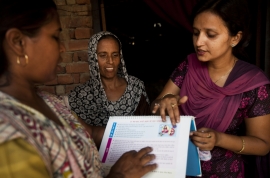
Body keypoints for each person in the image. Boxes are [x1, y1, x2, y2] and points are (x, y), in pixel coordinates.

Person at [0, 0, 157, 177]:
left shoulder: (51, 102)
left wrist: (150, 135)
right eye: (55, 36)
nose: (62, 47)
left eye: (115, 55)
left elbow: (90, 131)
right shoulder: (9, 135)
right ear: (18, 42)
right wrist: (119, 175)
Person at [151, 0, 270, 177]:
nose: (199, 42)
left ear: (235, 38)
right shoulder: (188, 67)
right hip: (178, 167)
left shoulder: (253, 83)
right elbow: (155, 110)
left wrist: (219, 139)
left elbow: (262, 145)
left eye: (211, 35)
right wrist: (164, 102)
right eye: (196, 33)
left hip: (225, 172)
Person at [68, 31, 151, 127]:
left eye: (115, 55)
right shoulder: (79, 96)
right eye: (103, 55)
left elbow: (147, 127)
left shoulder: (136, 88)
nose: (110, 61)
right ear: (92, 58)